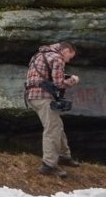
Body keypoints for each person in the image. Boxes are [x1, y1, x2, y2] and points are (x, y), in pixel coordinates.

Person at [24, 42, 80, 178]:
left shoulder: (39, 55)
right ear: (66, 51)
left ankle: (64, 156)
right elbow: (59, 83)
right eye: (70, 57)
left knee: (56, 124)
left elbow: (45, 75)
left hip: (32, 96)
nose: (68, 60)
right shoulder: (57, 58)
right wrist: (73, 80)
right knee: (52, 129)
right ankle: (48, 165)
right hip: (43, 96)